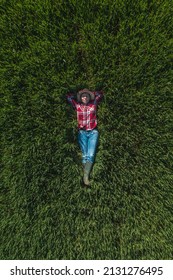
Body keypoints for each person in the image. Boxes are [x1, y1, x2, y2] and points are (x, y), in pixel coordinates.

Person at [66, 88, 103, 186]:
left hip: (93, 132)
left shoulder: (93, 105)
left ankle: (85, 177)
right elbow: (68, 97)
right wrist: (77, 94)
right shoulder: (77, 106)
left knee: (90, 155)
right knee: (84, 156)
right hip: (82, 132)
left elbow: (100, 94)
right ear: (80, 98)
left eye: (87, 96)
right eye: (83, 96)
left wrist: (92, 93)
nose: (85, 97)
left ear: (89, 97)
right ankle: (84, 175)